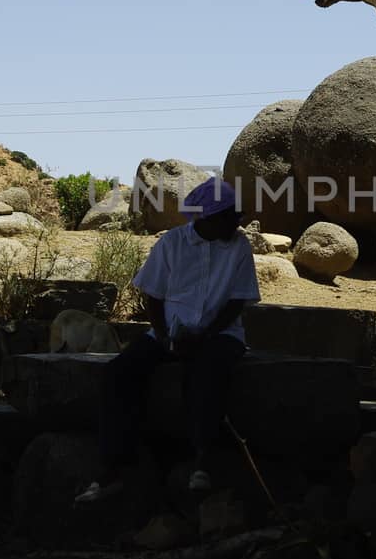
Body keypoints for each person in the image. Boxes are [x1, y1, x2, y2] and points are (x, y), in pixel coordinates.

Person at [74, 177, 260, 503]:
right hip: (170, 330)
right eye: (230, 216)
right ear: (207, 218)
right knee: (120, 372)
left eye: (237, 216)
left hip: (221, 334)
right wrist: (163, 337)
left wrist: (205, 335)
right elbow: (154, 296)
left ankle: (203, 461)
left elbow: (236, 302)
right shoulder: (172, 243)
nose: (237, 223)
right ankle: (113, 468)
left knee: (207, 372)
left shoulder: (239, 247)